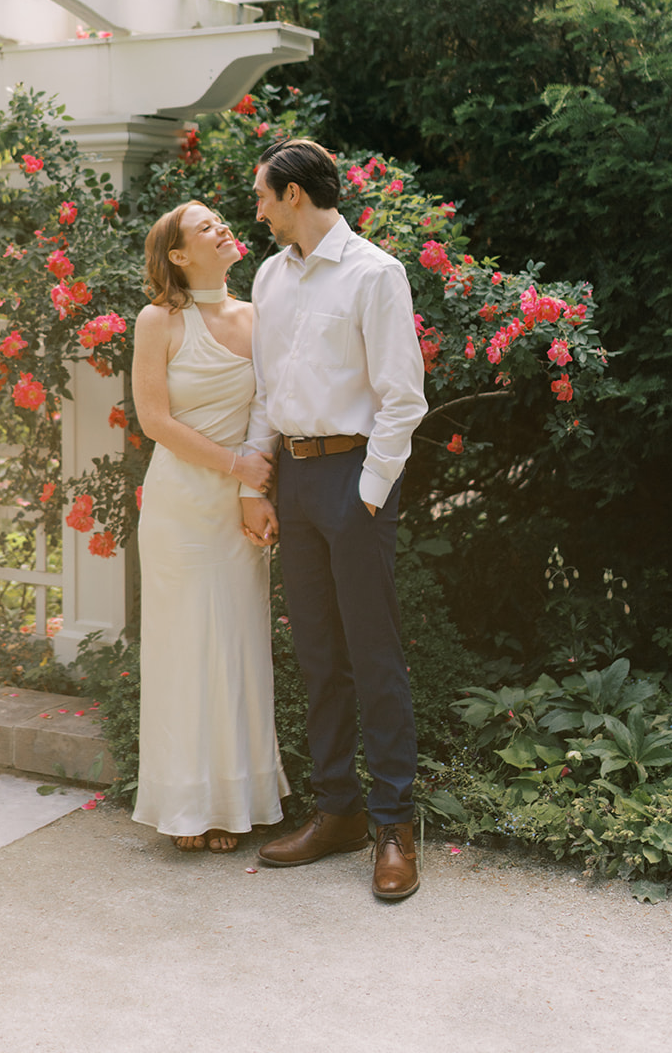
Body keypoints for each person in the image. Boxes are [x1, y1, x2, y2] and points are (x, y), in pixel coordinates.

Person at [239, 139, 428, 900]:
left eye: (261, 196)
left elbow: (401, 395)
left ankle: (394, 826)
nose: (255, 212)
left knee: (373, 654)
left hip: (354, 479)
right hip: (292, 474)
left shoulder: (374, 274)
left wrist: (370, 491)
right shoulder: (268, 277)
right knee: (317, 652)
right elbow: (264, 390)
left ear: (292, 195)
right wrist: (257, 476)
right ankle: (337, 812)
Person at [130, 200, 289, 852]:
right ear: (176, 254)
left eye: (222, 220)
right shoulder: (158, 320)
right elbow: (154, 420)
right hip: (179, 509)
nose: (223, 226)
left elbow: (271, 404)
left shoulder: (258, 315)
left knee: (237, 646)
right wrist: (237, 468)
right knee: (182, 651)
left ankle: (232, 802)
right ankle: (184, 805)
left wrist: (255, 485)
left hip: (238, 507)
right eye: (205, 226)